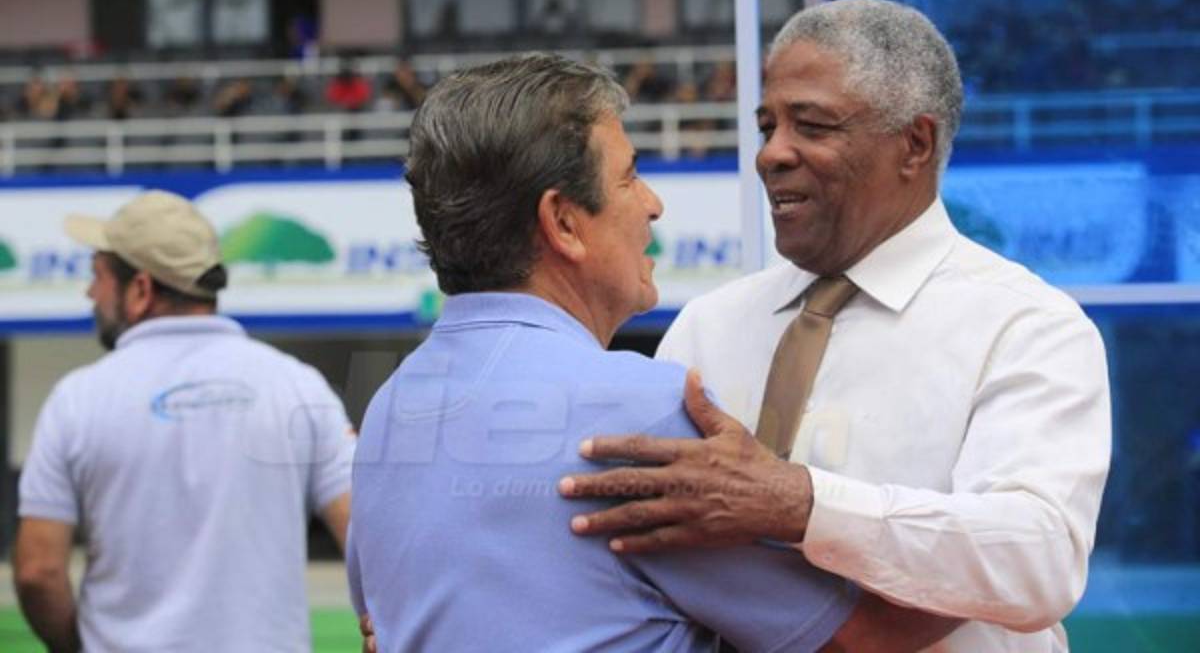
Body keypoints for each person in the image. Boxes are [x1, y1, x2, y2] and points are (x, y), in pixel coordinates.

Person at [349, 53, 963, 653]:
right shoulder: (638, 408)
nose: (652, 203)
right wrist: (1022, 552)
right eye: (629, 175)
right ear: (563, 223)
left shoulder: (388, 411)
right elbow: (864, 637)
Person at [560, 0, 1112, 652]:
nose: (772, 155)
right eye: (767, 126)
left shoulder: (1028, 326)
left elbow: (1037, 560)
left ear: (916, 143)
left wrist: (802, 504)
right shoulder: (707, 328)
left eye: (812, 126)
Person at [14, 190, 354, 652]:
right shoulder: (297, 385)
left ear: (140, 291)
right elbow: (365, 533)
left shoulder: (77, 400)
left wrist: (79, 645)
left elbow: (38, 570)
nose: (89, 293)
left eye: (97, 277)